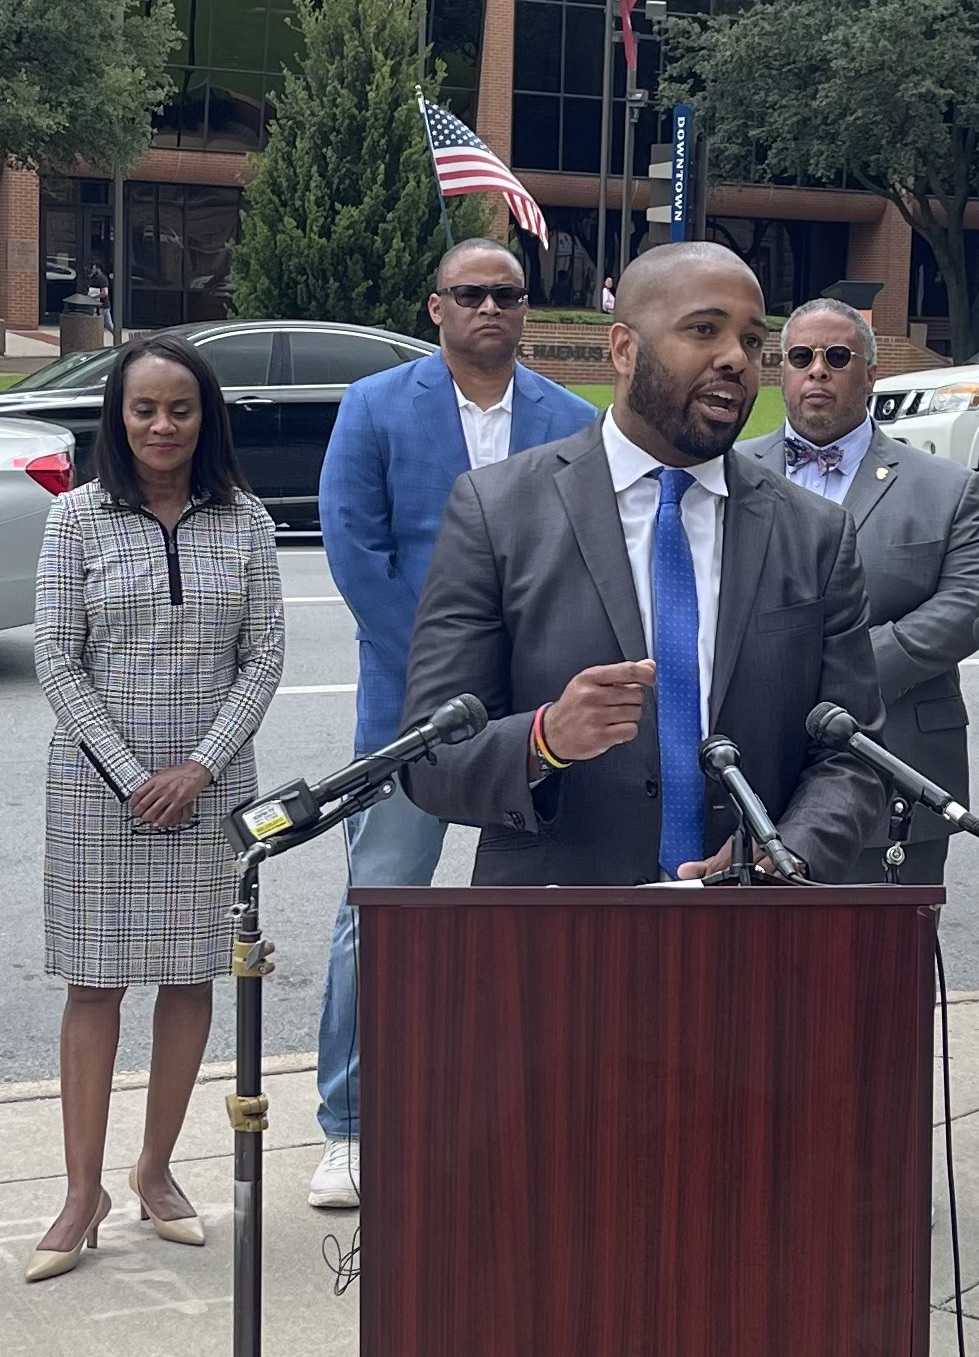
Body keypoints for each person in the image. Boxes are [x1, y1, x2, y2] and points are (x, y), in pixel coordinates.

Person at [402, 242, 886, 887]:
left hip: (755, 918)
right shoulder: (498, 510)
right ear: (625, 349)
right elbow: (431, 759)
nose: (735, 359)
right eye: (704, 330)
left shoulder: (816, 532)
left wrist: (789, 849)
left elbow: (855, 754)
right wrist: (545, 741)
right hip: (558, 922)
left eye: (752, 341)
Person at [313, 237, 595, 1209]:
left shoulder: (574, 421)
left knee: (541, 912)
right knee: (380, 908)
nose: (488, 308)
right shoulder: (373, 407)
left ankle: (526, 1108)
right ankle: (347, 1125)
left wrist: (527, 688)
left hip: (537, 715)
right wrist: (447, 679)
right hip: (409, 709)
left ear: (525, 308)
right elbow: (356, 554)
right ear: (435, 307)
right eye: (469, 293)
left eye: (505, 294)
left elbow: (586, 562)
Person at [29, 335, 285, 1283]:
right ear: (119, 418)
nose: (163, 426)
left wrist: (200, 769)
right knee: (93, 986)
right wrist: (135, 773)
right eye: (144, 409)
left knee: (190, 979)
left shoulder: (246, 521)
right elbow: (57, 659)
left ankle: (155, 1170)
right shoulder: (76, 519)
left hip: (209, 795)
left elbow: (263, 656)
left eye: (181, 409)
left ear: (205, 418)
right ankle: (80, 1191)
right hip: (99, 793)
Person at [740, 297, 979, 884]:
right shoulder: (730, 474)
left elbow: (975, 600)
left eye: (837, 357)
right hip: (755, 774)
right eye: (801, 357)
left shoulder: (948, 488)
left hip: (900, 768)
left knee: (888, 945)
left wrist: (851, 669)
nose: (817, 370)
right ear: (781, 371)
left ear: (871, 374)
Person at [88, 260, 114, 335]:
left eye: (94, 268)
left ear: (98, 269)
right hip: (95, 305)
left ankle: (116, 336)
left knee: (108, 324)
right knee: (95, 324)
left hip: (103, 305)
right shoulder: (92, 278)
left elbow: (105, 293)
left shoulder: (103, 279)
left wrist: (94, 296)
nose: (92, 270)